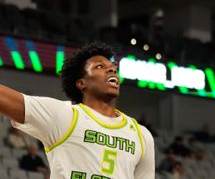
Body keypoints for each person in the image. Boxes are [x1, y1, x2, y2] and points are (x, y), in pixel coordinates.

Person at [0, 41, 155, 178]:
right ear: (81, 83)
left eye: (113, 68)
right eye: (100, 67)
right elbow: (6, 98)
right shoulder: (63, 116)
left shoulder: (141, 135)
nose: (112, 70)